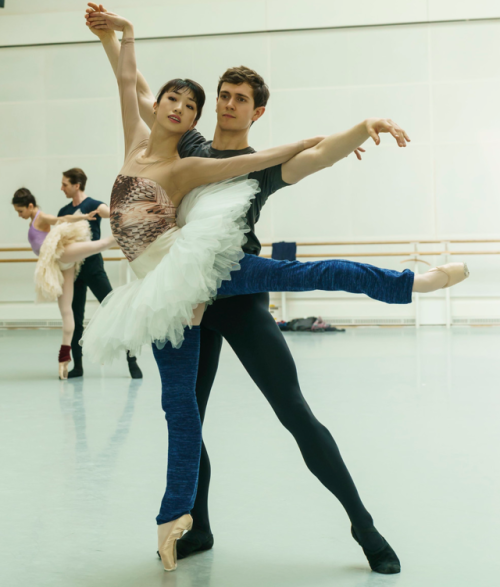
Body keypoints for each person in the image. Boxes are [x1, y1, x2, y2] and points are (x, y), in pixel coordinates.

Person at [83, 7, 469, 575]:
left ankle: (365, 527)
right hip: (179, 300)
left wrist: (363, 127)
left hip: (238, 298)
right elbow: (140, 91)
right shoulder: (187, 145)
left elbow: (315, 155)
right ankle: (200, 528)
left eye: (241, 98)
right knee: (187, 415)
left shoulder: (258, 166)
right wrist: (114, 40)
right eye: (224, 95)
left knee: (294, 413)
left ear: (258, 111)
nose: (229, 103)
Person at [12, 187, 115, 379]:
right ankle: (64, 358)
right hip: (60, 265)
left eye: (20, 211)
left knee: (101, 244)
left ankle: (133, 230)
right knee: (67, 312)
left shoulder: (41, 217)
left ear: (30, 206)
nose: (19, 215)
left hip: (62, 253)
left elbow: (62, 219)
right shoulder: (33, 220)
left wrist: (83, 217)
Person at [57, 167, 143, 379]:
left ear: (76, 185)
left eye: (65, 184)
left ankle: (132, 360)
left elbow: (112, 214)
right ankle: (78, 366)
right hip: (73, 272)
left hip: (93, 268)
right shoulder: (64, 211)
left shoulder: (93, 205)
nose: (62, 188)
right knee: (76, 318)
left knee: (115, 310)